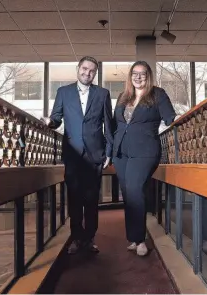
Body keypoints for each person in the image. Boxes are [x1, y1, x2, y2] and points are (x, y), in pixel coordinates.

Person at [41, 56, 113, 254]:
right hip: (72, 155)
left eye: (91, 71)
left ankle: (89, 239)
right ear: (77, 69)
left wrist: (109, 152)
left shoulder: (103, 94)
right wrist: (50, 122)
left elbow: (109, 124)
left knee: (91, 200)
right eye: (84, 69)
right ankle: (76, 238)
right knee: (74, 199)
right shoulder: (63, 92)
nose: (87, 73)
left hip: (95, 154)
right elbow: (57, 117)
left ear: (95, 74)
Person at [112, 61, 177, 256]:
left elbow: (170, 118)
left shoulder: (158, 94)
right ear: (130, 77)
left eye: (143, 74)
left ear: (148, 76)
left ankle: (140, 239)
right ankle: (133, 238)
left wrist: (179, 120)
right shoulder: (123, 97)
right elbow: (117, 125)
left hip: (145, 151)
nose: (138, 77)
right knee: (127, 193)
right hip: (121, 152)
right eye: (135, 74)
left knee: (135, 190)